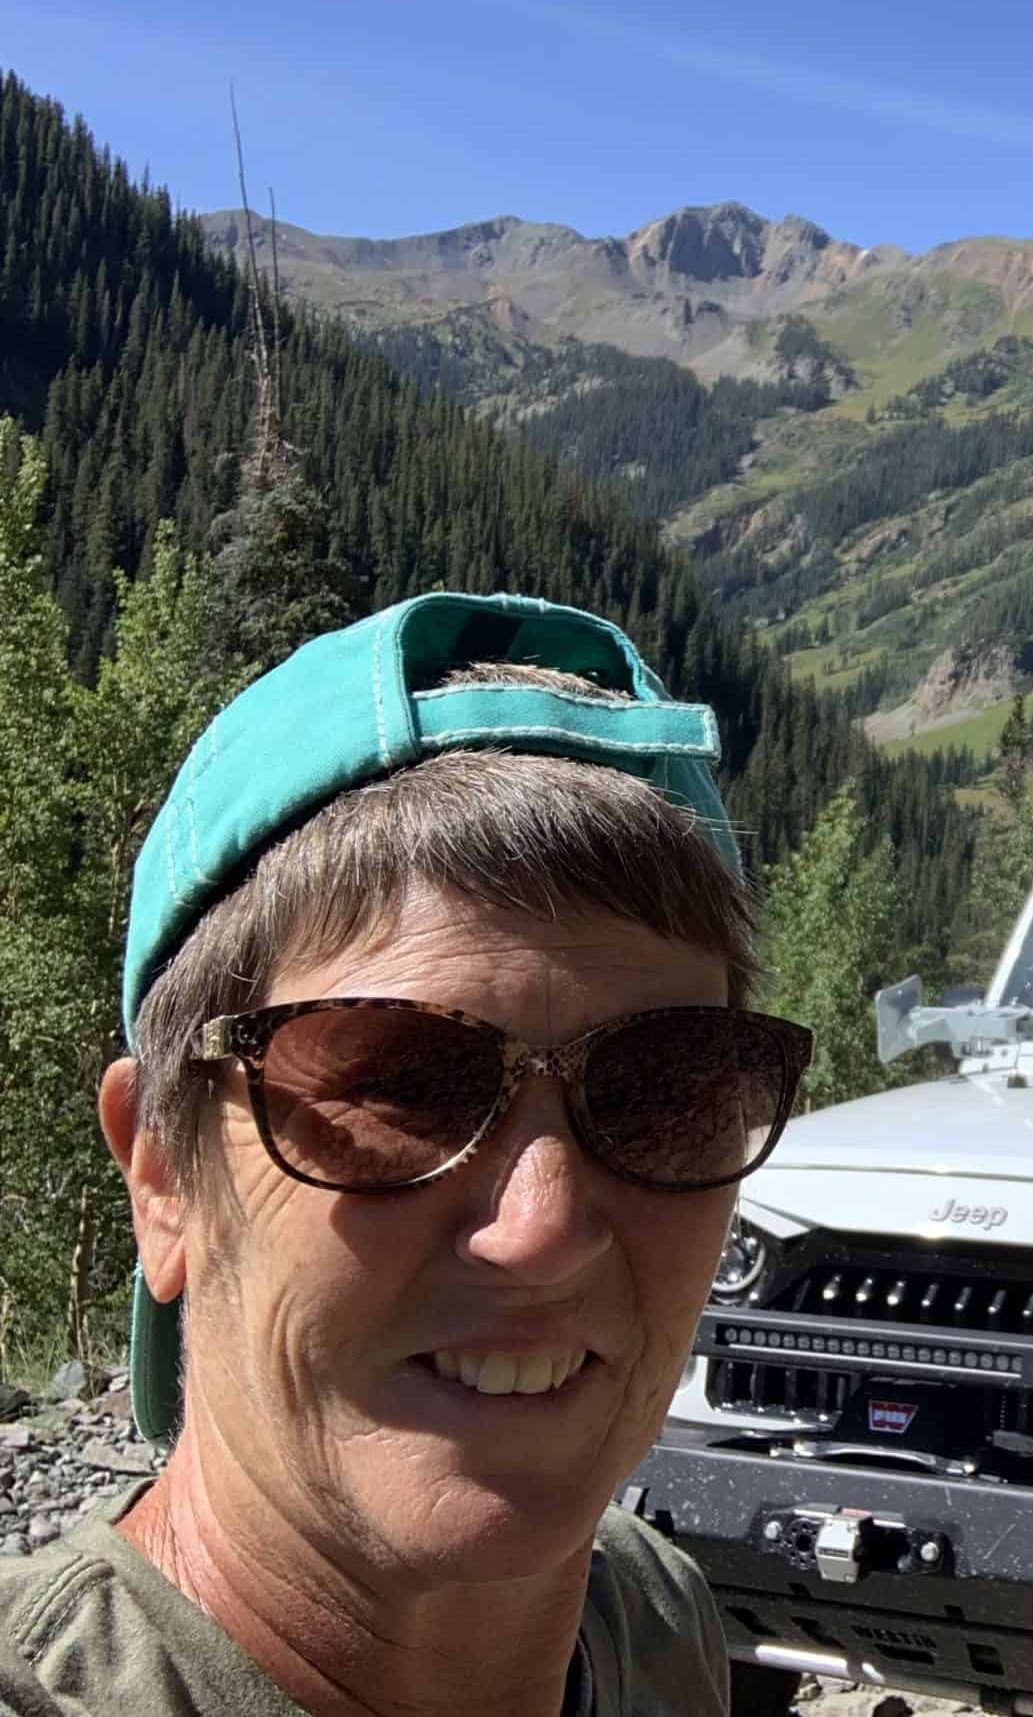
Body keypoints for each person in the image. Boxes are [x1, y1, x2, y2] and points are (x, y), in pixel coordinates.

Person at [0, 592, 812, 1717]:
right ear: (164, 1176)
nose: (543, 1229)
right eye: (398, 1086)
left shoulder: (653, 1622)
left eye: (663, 1089)